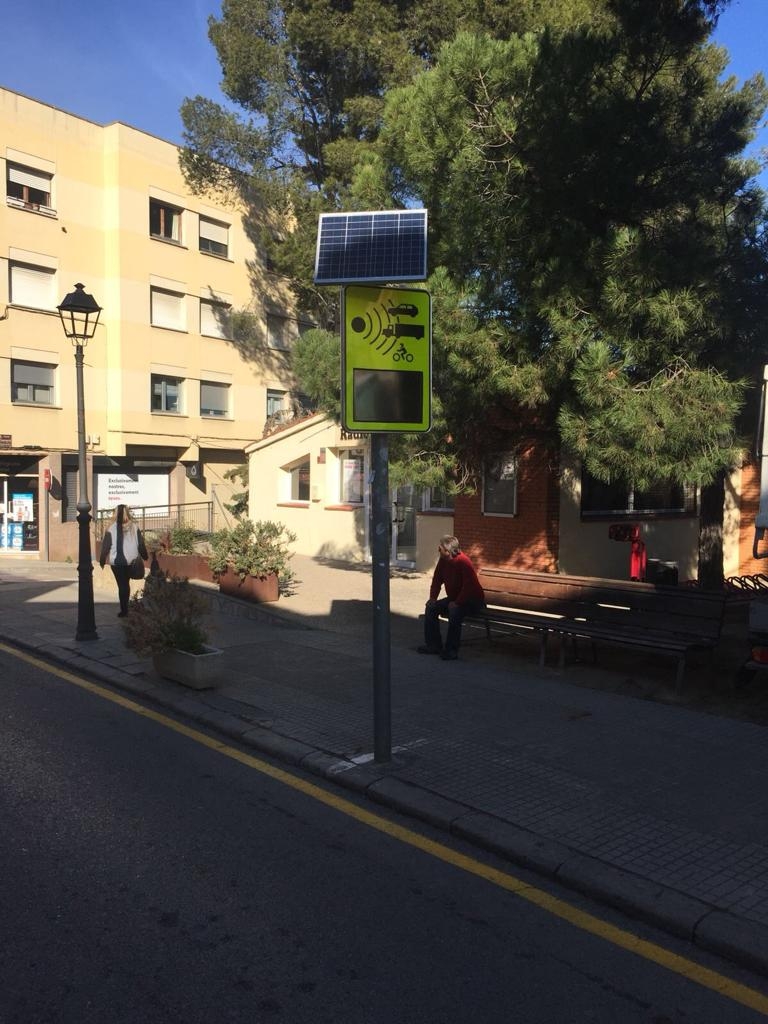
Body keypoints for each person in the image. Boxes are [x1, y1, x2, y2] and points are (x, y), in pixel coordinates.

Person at [418, 535, 485, 661]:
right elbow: (437, 580)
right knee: (431, 608)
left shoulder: (463, 561)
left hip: (472, 600)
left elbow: (469, 586)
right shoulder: (443, 561)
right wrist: (433, 598)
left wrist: (457, 603)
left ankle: (451, 650)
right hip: (455, 598)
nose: (438, 549)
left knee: (455, 612)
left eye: (440, 547)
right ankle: (434, 646)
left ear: (448, 551)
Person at [99, 504, 148, 617]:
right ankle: (126, 607)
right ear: (127, 513)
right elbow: (141, 544)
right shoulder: (135, 527)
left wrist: (102, 560)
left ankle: (124, 610)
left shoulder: (111, 529)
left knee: (122, 585)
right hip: (132, 561)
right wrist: (145, 556)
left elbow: (105, 547)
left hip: (117, 563)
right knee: (126, 585)